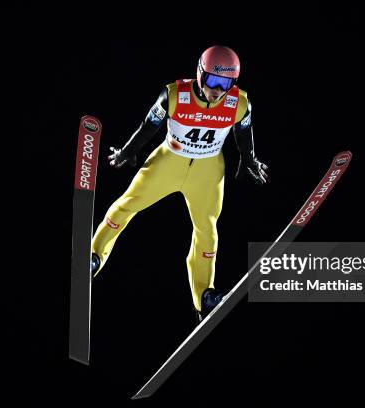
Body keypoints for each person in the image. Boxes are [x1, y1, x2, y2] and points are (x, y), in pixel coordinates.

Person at [90, 45, 268, 322]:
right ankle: (95, 256)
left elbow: (244, 134)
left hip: (208, 173)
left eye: (226, 83)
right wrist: (128, 150)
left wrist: (249, 160)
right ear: (199, 73)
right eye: (212, 80)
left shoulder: (239, 103)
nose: (217, 89)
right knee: (126, 205)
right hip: (168, 162)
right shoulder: (174, 95)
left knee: (207, 232)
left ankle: (204, 297)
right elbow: (149, 126)